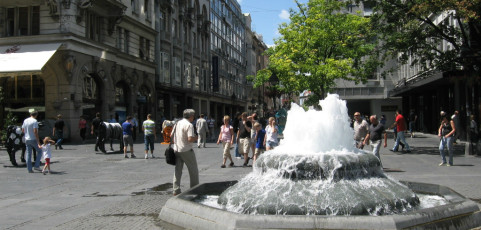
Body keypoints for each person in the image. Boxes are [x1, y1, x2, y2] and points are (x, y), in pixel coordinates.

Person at [171, 109, 198, 196]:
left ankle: (176, 190)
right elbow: (190, 139)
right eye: (193, 116)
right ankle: (195, 189)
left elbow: (171, 135)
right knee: (193, 170)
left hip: (177, 149)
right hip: (186, 150)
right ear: (190, 116)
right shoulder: (189, 125)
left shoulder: (177, 123)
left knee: (178, 170)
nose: (193, 117)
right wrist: (196, 138)